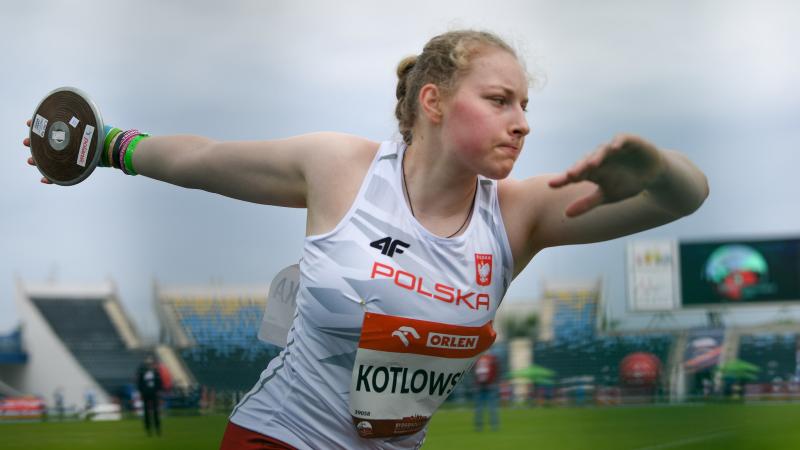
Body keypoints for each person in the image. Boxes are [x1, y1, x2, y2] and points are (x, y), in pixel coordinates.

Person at [23, 29, 708, 449]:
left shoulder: (519, 216)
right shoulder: (340, 169)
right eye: (500, 100)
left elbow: (686, 196)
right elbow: (202, 160)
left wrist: (655, 167)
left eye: (526, 105)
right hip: (276, 439)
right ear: (433, 103)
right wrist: (107, 144)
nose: (521, 121)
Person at [136, 355, 164, 436]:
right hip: (146, 394)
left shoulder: (155, 372)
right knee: (146, 412)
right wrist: (141, 392)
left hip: (153, 393)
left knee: (155, 412)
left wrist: (158, 391)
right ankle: (148, 429)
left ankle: (157, 428)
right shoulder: (142, 372)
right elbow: (139, 384)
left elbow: (159, 383)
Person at [473, 350, 500, 431]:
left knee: (479, 407)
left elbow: (473, 372)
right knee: (492, 407)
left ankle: (479, 426)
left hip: (480, 385)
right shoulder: (492, 358)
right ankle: (494, 426)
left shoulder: (477, 359)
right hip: (490, 385)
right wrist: (495, 381)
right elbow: (496, 371)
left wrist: (475, 382)